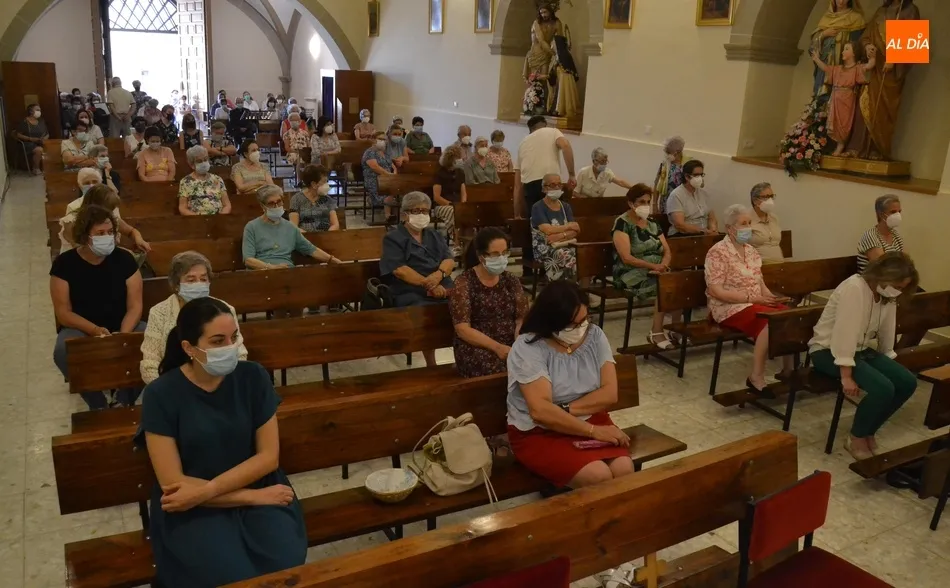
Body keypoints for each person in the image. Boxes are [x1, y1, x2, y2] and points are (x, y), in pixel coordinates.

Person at [136, 297, 307, 587]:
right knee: (228, 574)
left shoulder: (252, 376)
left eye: (234, 337)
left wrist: (217, 491)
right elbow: (174, 486)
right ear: (189, 348)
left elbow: (268, 458)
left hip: (256, 487)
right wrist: (248, 497)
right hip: (194, 509)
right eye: (218, 341)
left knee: (282, 565)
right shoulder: (161, 395)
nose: (230, 347)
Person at [506, 280, 633, 489]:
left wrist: (565, 411)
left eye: (584, 320)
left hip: (590, 419)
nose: (581, 328)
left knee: (623, 469)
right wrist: (592, 431)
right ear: (551, 322)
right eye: (572, 324)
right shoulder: (527, 347)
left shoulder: (594, 335)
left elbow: (610, 394)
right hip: (538, 432)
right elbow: (540, 411)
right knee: (597, 474)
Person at [809, 252, 919, 459]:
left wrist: (887, 359)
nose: (898, 291)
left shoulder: (886, 294)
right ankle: (856, 436)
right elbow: (845, 332)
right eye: (897, 286)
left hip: (860, 349)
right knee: (883, 388)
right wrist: (846, 376)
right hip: (828, 351)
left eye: (902, 288)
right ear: (882, 276)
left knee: (907, 382)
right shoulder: (855, 288)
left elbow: (888, 328)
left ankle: (869, 430)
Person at [50, 205, 145, 410]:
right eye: (100, 233)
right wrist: (94, 330)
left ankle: (124, 399)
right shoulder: (64, 264)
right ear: (85, 236)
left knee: (152, 340)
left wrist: (124, 334)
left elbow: (135, 305)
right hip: (82, 326)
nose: (107, 237)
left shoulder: (124, 259)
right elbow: (64, 312)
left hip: (123, 322)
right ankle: (98, 404)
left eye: (110, 232)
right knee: (62, 351)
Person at [705, 205, 794, 395]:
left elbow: (758, 280)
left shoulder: (752, 251)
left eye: (749, 223)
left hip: (755, 301)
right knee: (770, 322)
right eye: (743, 224)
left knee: (789, 315)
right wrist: (754, 298)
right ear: (730, 228)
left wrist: (770, 297)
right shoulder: (718, 252)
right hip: (729, 306)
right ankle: (756, 376)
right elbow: (716, 290)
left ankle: (789, 370)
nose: (748, 228)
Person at [139, 252, 247, 384]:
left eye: (203, 279)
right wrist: (167, 391)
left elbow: (240, 354)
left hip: (219, 383)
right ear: (177, 285)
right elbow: (150, 364)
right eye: (191, 280)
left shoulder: (224, 309)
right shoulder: (159, 312)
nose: (198, 284)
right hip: (173, 386)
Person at [380, 192, 456, 367]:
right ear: (405, 213)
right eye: (416, 210)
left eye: (425, 210)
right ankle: (431, 362)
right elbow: (400, 270)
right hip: (410, 289)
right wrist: (428, 285)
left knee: (464, 304)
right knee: (426, 312)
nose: (421, 215)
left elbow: (449, 259)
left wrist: (439, 276)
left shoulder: (434, 235)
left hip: (440, 283)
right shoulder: (393, 238)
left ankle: (463, 354)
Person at [845, 0, 921, 160]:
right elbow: (865, 37)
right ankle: (857, 147)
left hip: (890, 75)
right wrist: (867, 47)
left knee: (882, 110)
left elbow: (914, 45)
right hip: (874, 69)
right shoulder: (880, 11)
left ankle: (877, 149)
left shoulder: (910, 11)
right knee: (863, 105)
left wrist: (894, 59)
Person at [449, 227, 528, 378]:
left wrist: (519, 341)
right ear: (481, 257)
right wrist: (497, 347)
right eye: (496, 254)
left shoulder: (510, 280)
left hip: (510, 342)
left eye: (505, 253)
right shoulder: (464, 283)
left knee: (535, 360)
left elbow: (521, 318)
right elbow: (463, 329)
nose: (502, 258)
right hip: (478, 346)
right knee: (495, 367)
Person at [612, 184, 680, 349]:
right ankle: (656, 332)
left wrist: (664, 264)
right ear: (631, 203)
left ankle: (676, 329)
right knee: (663, 287)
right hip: (630, 272)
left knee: (679, 284)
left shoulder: (652, 223)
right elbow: (626, 257)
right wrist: (653, 266)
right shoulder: (622, 223)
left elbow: (666, 249)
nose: (645, 206)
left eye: (648, 202)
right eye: (641, 201)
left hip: (656, 268)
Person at [516, 116, 576, 272]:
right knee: (556, 221)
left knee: (535, 228)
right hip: (551, 183)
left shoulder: (523, 143)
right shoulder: (553, 131)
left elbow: (517, 184)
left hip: (531, 186)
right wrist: (571, 174)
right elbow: (565, 145)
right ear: (545, 125)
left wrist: (517, 211)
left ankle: (530, 268)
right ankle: (551, 266)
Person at [243, 185, 341, 270]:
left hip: (286, 272)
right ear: (262, 206)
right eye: (271, 203)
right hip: (260, 273)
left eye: (279, 202)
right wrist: (271, 268)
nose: (276, 206)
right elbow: (248, 260)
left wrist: (331, 259)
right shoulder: (252, 227)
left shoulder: (290, 227)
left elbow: (310, 249)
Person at [810, 41, 876, 156]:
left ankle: (840, 146)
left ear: (854, 53)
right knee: (834, 123)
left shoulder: (857, 68)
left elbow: (869, 66)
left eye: (846, 49)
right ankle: (836, 145)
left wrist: (873, 57)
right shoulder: (838, 69)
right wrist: (816, 59)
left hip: (847, 98)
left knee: (844, 123)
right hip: (836, 98)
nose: (842, 51)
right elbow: (826, 69)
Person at [59, 182, 150, 254]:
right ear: (96, 205)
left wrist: (139, 239)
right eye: (108, 208)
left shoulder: (109, 217)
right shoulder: (72, 221)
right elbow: (82, 250)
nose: (110, 213)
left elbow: (131, 231)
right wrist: (121, 252)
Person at [531, 173, 579, 282]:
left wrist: (560, 235)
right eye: (552, 185)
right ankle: (564, 287)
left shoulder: (565, 206)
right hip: (544, 247)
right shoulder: (538, 207)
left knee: (582, 254)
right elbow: (547, 230)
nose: (557, 188)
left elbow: (576, 230)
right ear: (544, 188)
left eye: (559, 185)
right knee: (567, 255)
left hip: (564, 244)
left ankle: (571, 287)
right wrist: (568, 227)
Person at [666, 160, 718, 237]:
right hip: (683, 236)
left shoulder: (704, 193)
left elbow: (711, 217)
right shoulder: (676, 195)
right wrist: (702, 231)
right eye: (696, 175)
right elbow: (680, 225)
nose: (699, 178)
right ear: (686, 176)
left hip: (704, 234)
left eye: (701, 175)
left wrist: (713, 230)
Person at [179, 146, 232, 216]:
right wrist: (198, 219)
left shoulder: (217, 179)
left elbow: (227, 205)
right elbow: (182, 208)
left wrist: (221, 217)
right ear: (192, 165)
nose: (203, 163)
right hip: (196, 221)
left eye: (205, 159)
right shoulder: (185, 181)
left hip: (218, 219)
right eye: (199, 161)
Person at [857, 194, 904, 272]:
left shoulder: (896, 235)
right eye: (893, 212)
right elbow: (882, 268)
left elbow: (906, 263)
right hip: (873, 282)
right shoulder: (870, 236)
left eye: (899, 212)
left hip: (894, 281)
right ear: (881, 214)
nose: (898, 215)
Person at [433, 145, 467, 248]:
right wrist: (451, 205)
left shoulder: (460, 173)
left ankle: (466, 242)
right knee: (453, 212)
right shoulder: (439, 173)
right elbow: (437, 197)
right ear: (452, 159)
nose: (461, 160)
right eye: (459, 158)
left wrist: (463, 204)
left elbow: (463, 192)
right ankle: (456, 242)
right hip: (442, 205)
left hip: (457, 204)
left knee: (467, 211)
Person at [289, 165, 339, 232]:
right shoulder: (297, 199)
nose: (327, 185)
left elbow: (335, 225)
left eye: (327, 181)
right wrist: (308, 238)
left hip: (326, 238)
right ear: (314, 184)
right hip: (304, 238)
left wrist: (327, 236)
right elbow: (293, 226)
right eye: (324, 182)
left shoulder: (328, 199)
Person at [361, 130, 398, 217]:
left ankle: (396, 217)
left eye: (385, 139)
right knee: (388, 193)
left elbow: (392, 165)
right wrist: (388, 175)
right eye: (380, 139)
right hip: (375, 179)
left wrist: (395, 172)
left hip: (388, 179)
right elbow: (375, 167)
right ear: (374, 140)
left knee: (399, 191)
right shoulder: (369, 152)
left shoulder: (385, 153)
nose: (383, 141)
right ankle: (388, 215)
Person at [748, 182, 785, 264]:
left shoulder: (774, 218)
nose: (770, 200)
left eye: (771, 196)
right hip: (759, 267)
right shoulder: (746, 220)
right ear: (755, 200)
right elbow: (740, 246)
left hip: (780, 265)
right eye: (766, 197)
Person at [653, 136, 686, 214]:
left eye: (668, 152)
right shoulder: (664, 164)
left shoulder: (687, 165)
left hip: (682, 204)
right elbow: (657, 184)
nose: (667, 155)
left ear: (677, 152)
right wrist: (654, 204)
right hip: (665, 204)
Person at [14, 104, 47, 175]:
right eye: (37, 110)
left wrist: (44, 138)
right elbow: (18, 134)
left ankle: (47, 167)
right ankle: (36, 168)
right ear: (31, 111)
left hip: (40, 141)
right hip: (27, 143)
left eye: (39, 110)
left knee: (52, 146)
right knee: (39, 150)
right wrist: (30, 139)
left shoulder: (41, 121)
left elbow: (46, 133)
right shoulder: (25, 122)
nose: (39, 111)